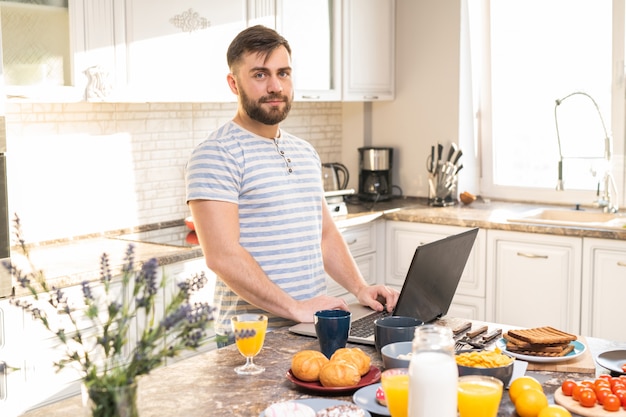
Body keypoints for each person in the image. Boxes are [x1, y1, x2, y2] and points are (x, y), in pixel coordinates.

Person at [185, 25, 399, 345]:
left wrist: (360, 287)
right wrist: (294, 307)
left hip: (309, 327)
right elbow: (222, 255)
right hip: (251, 338)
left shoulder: (304, 151)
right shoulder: (216, 153)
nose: (275, 86)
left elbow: (324, 235)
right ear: (234, 83)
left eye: (283, 73)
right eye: (260, 75)